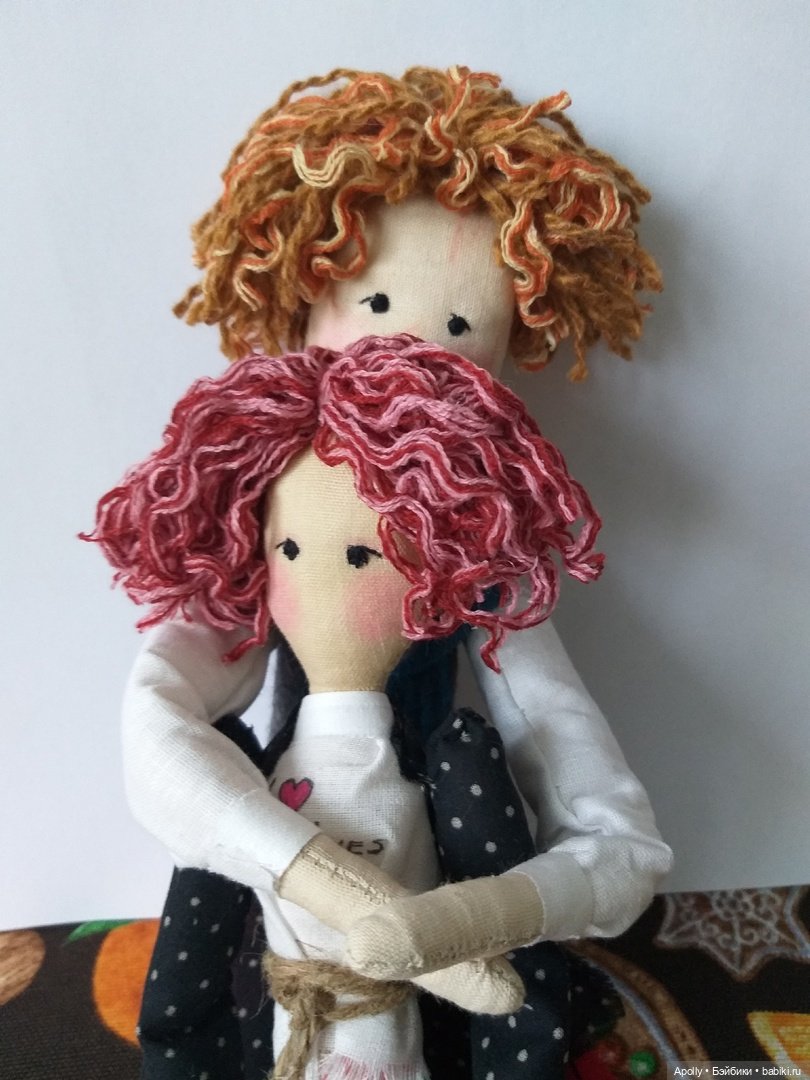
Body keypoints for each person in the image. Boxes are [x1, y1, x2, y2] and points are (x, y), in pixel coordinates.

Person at [111, 66, 672, 1076]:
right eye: (373, 302)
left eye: (462, 326)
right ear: (300, 294)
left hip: (451, 862)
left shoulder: (486, 558)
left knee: (473, 787)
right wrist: (308, 873)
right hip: (291, 868)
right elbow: (158, 725)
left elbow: (613, 830)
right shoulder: (271, 499)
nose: (414, 348)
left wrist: (477, 916)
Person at [89, 336, 608, 1078]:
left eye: (363, 557)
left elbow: (596, 854)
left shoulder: (453, 765)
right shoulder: (242, 757)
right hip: (287, 1017)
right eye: (288, 551)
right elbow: (169, 768)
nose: (319, 584)